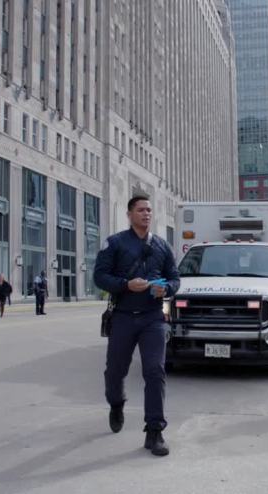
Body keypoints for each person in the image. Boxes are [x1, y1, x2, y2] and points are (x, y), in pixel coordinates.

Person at [94, 195, 180, 457]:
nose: (146, 214)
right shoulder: (115, 243)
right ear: (130, 214)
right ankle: (116, 403)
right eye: (141, 210)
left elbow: (175, 279)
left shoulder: (162, 246)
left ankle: (155, 431)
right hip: (122, 316)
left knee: (155, 371)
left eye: (149, 210)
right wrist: (125, 285)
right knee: (115, 371)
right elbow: (99, 276)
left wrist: (165, 289)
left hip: (153, 318)